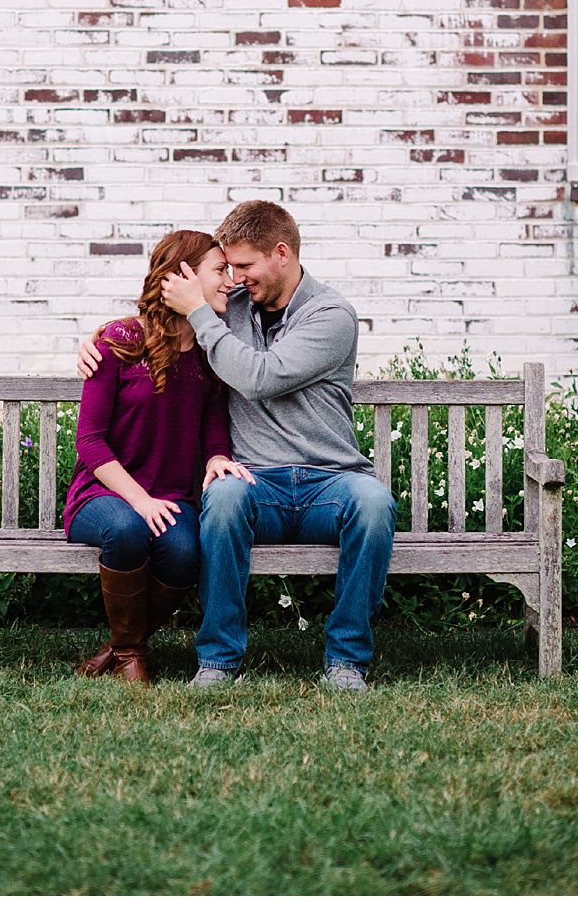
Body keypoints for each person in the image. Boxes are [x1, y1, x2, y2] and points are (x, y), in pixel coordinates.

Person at [79, 200, 395, 692]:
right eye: (228, 267)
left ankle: (346, 661)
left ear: (282, 254)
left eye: (244, 266)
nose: (235, 278)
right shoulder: (231, 306)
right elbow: (165, 323)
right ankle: (219, 661)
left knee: (374, 502)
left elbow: (259, 377)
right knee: (222, 499)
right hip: (255, 481)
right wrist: (102, 337)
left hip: (331, 482)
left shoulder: (331, 315)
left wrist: (201, 314)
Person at [65, 230, 238, 685]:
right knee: (125, 529)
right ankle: (130, 658)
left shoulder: (210, 351)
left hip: (171, 498)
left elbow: (214, 430)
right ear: (183, 275)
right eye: (220, 270)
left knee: (184, 550)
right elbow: (91, 441)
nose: (230, 281)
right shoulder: (121, 340)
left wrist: (218, 457)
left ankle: (118, 648)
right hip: (103, 493)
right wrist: (140, 500)